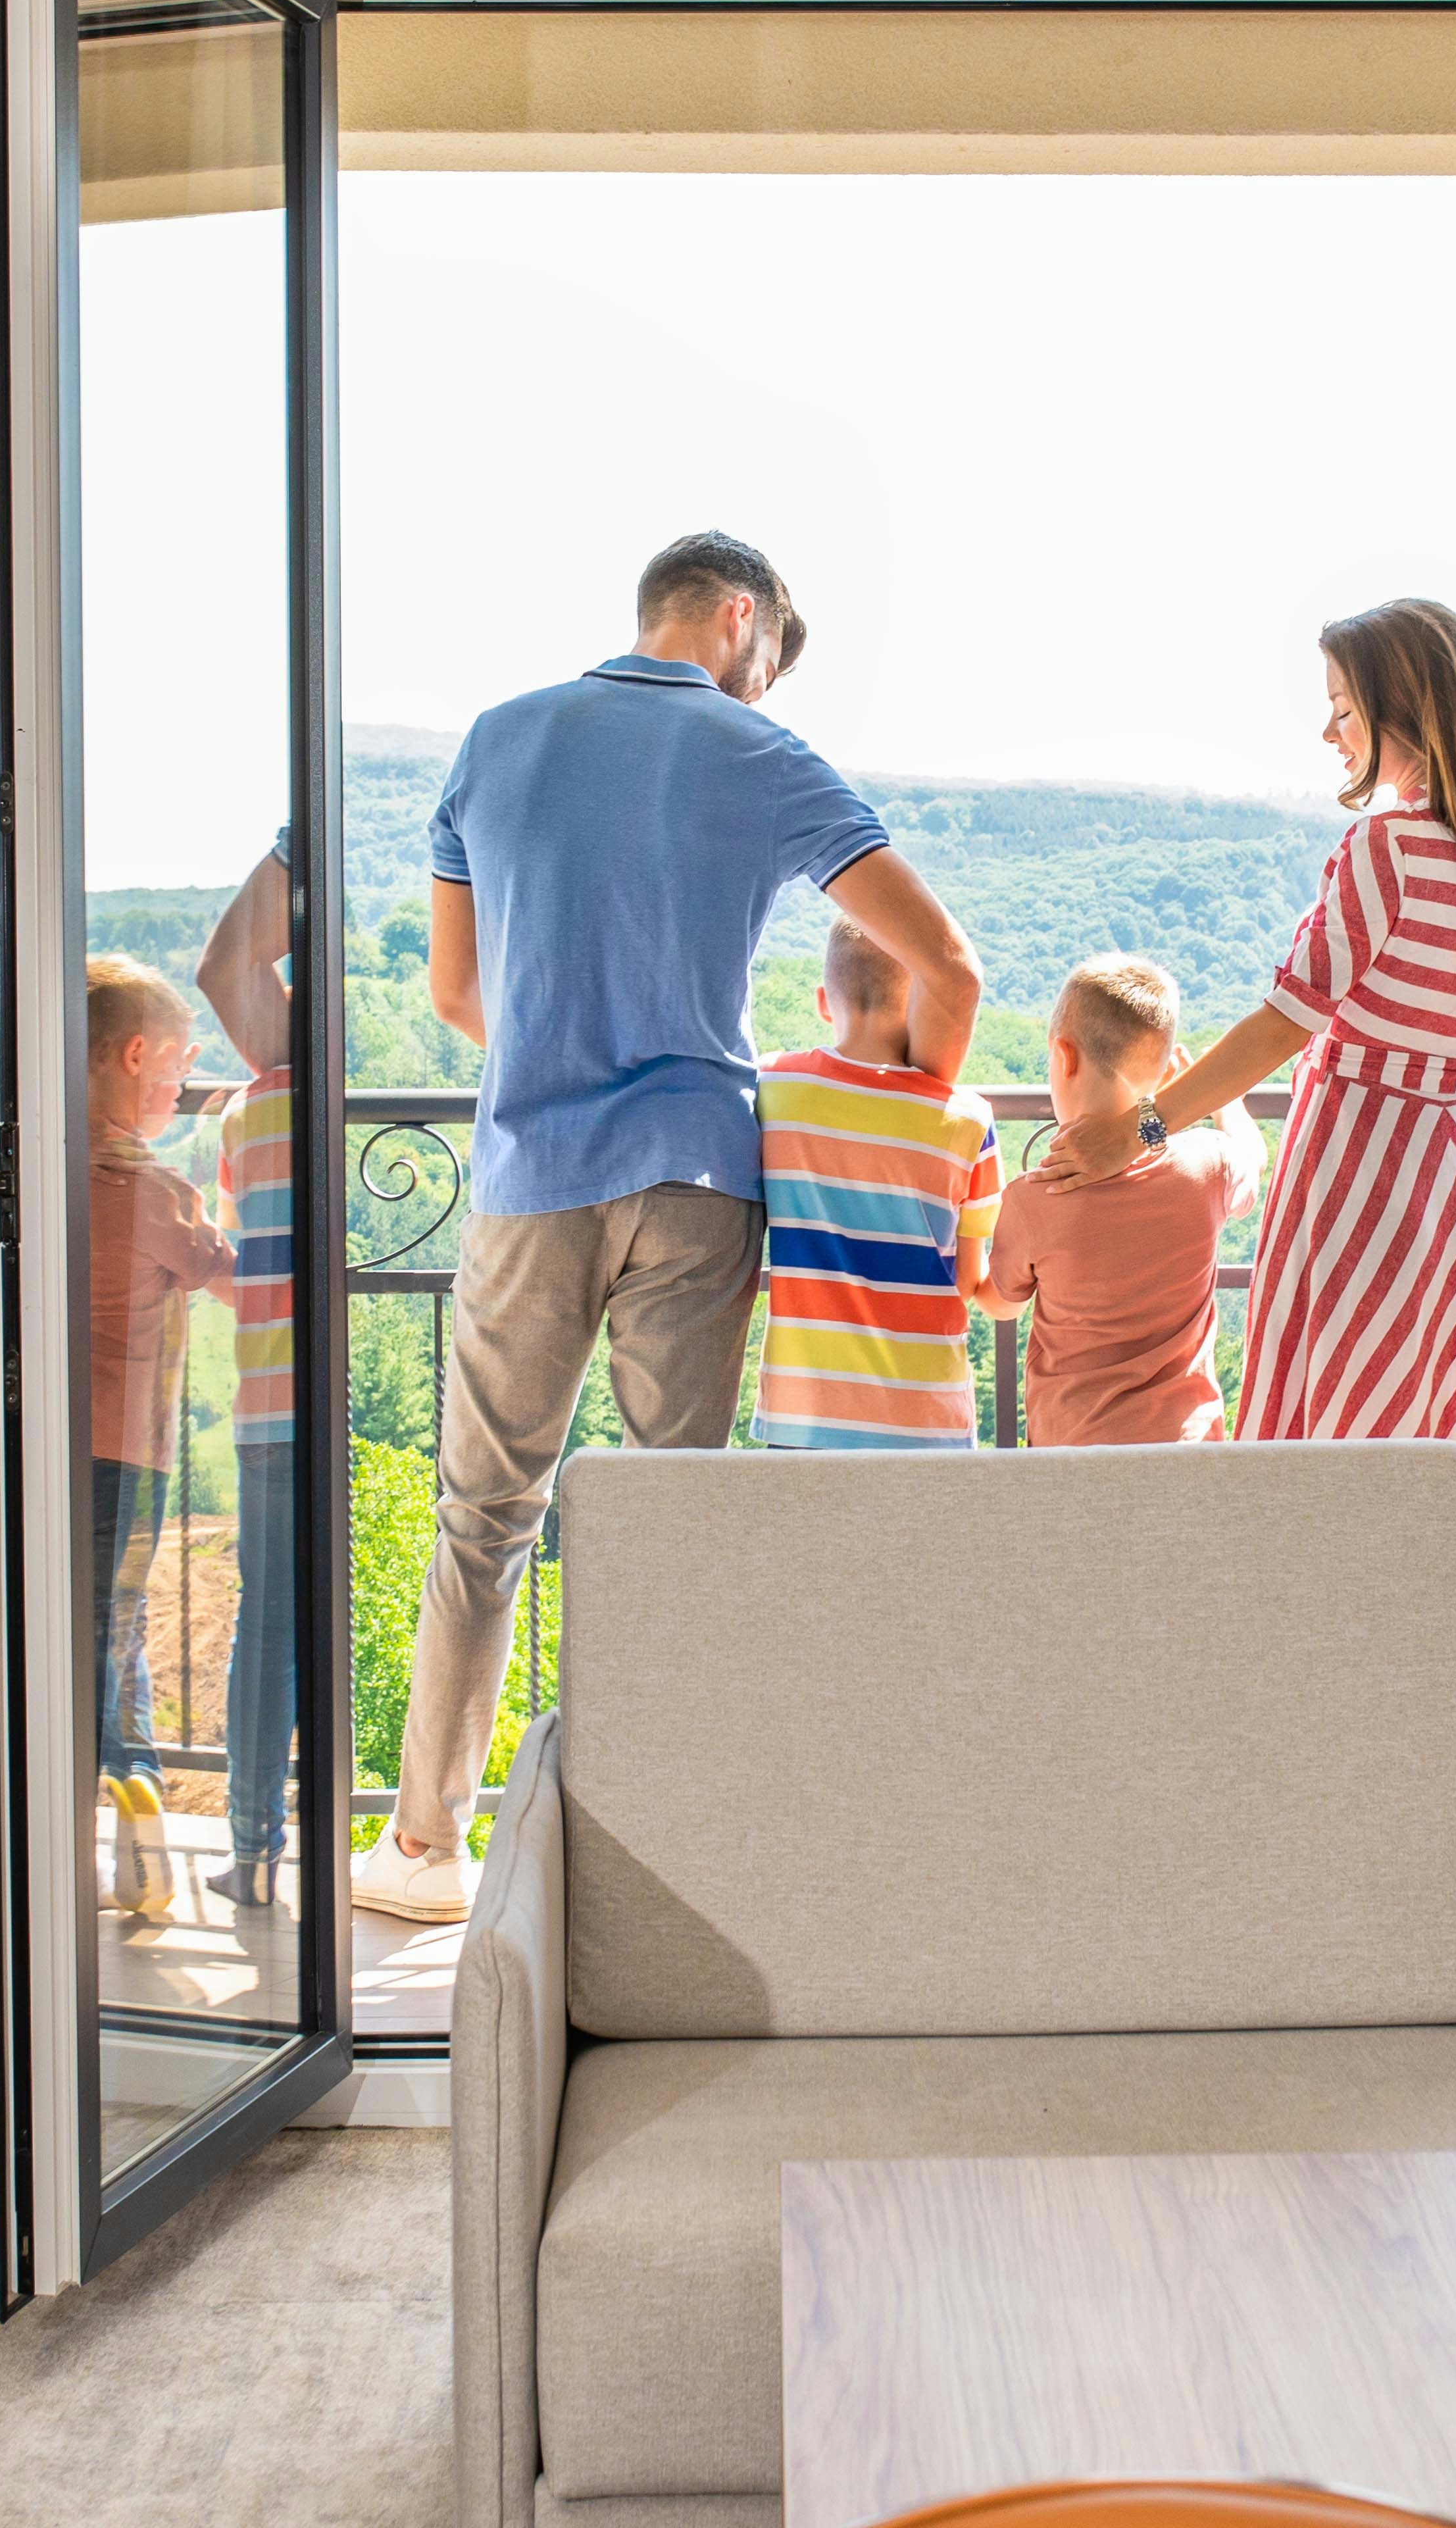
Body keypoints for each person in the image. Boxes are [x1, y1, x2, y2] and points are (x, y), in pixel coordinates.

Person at [359, 532, 983, 1924]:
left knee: (483, 1517)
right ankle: (661, 1850)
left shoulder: (496, 737)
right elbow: (945, 960)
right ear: (738, 617)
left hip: (533, 1173)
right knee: (674, 1514)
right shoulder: (762, 755)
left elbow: (457, 997)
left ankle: (425, 1848)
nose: (761, 691)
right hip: (702, 1175)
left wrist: (558, 1046)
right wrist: (913, 1115)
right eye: (767, 665)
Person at [1040, 599, 1456, 1706]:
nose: (1329, 731)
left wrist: (1137, 1129)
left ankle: (1317, 1754)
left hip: (1361, 1201)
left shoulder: (1386, 849)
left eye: (1343, 708)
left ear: (1403, 710)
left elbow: (1284, 1023)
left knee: (1325, 1497)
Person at [85, 954, 234, 1921]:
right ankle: (132, 1778)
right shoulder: (154, 1195)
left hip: (34, 1447)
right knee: (118, 1624)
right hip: (127, 1456)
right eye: (180, 1064)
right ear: (137, 1056)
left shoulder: (41, 1173)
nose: (185, 1084)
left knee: (64, 1629)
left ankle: (77, 1818)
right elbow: (242, 1281)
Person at [976, 953, 1263, 1446]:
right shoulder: (1209, 1166)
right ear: (1168, 1076)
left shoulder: (1034, 1198)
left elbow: (1000, 1305)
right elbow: (1253, 1158)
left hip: (1075, 1449)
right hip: (1189, 1449)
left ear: (1063, 1057)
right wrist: (1223, 1102)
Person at [754, 915, 1003, 1450]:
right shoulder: (970, 1120)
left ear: (824, 1002)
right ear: (918, 1004)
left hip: (805, 1413)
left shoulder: (773, 1087)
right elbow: (968, 1280)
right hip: (927, 1416)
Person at [195, 838, 302, 1915]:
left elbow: (235, 1254)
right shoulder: (327, 1105)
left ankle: (253, 1844)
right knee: (318, 1619)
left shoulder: (242, 1115)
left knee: (264, 1629)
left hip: (267, 1399)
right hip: (327, 1400)